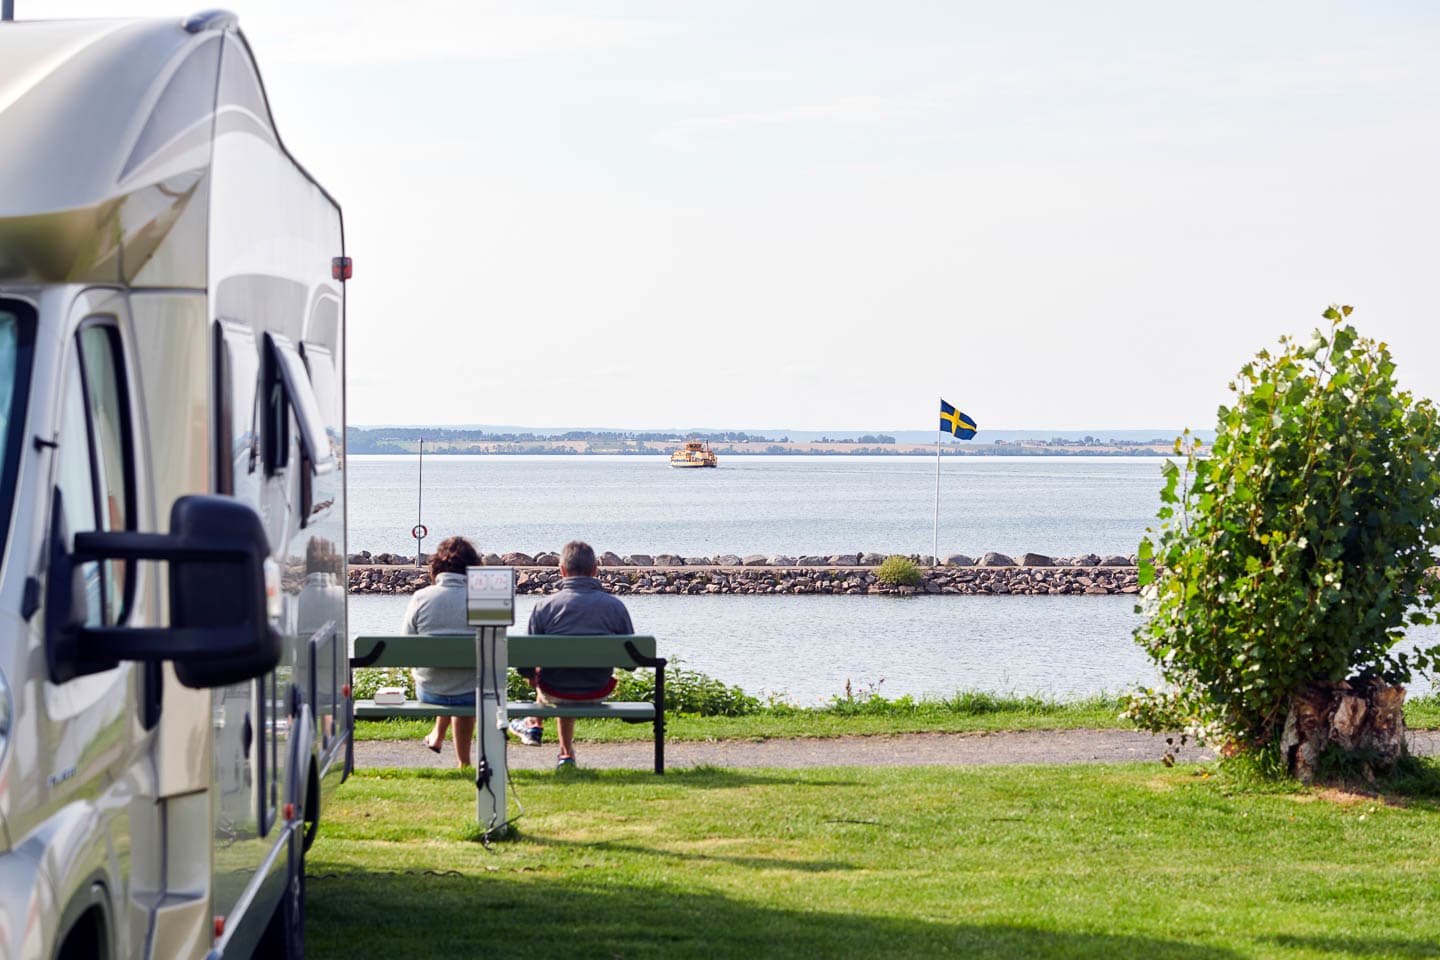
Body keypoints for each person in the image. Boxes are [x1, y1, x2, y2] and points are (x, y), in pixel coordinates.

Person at [513, 540, 633, 769]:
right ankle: (563, 752)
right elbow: (631, 663)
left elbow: (525, 662)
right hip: (598, 689)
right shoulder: (614, 606)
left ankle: (538, 728)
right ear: (595, 570)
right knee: (566, 675)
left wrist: (532, 675)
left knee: (554, 675)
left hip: (553, 690)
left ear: (562, 571)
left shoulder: (544, 607)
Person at [401, 535, 481, 768]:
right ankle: (464, 762)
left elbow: (405, 643)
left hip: (430, 691)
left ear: (436, 566)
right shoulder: (483, 599)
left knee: (447, 677)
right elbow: (497, 643)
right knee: (463, 685)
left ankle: (438, 734)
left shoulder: (421, 598)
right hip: (471, 691)